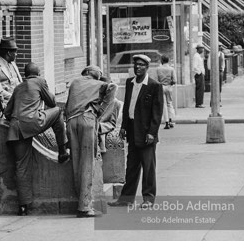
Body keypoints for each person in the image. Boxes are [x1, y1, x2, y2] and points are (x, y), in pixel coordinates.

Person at [4, 62, 69, 216]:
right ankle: (62, 151)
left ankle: (23, 207)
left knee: (21, 166)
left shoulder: (19, 87)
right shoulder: (40, 82)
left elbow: (7, 112)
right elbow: (52, 103)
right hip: (32, 122)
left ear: (25, 74)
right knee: (58, 111)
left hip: (15, 127)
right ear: (38, 74)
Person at [108, 54, 163, 209]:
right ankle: (126, 199)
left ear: (147, 67)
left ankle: (148, 199)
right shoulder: (130, 83)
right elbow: (127, 108)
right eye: (135, 65)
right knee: (131, 167)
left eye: (141, 65)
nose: (137, 67)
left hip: (146, 133)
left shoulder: (154, 85)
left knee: (148, 167)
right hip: (132, 130)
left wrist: (152, 132)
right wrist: (124, 126)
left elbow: (157, 113)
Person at [65, 65, 117, 217]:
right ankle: (85, 207)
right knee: (87, 162)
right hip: (87, 120)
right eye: (98, 72)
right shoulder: (99, 84)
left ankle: (80, 201)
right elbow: (113, 87)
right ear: (89, 72)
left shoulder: (75, 82)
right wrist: (100, 114)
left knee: (76, 163)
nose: (100, 74)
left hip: (70, 122)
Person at [156, 55, 176, 129]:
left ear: (162, 61)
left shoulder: (158, 69)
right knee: (169, 104)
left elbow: (157, 80)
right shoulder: (171, 69)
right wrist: (170, 83)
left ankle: (166, 122)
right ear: (168, 60)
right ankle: (171, 120)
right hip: (169, 87)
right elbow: (174, 81)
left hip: (161, 87)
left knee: (163, 105)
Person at [193, 44, 205, 108]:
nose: (202, 50)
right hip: (199, 74)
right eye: (201, 48)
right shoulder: (196, 56)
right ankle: (198, 103)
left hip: (201, 73)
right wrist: (199, 72)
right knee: (199, 89)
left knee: (201, 89)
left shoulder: (198, 56)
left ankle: (200, 102)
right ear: (198, 49)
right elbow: (194, 66)